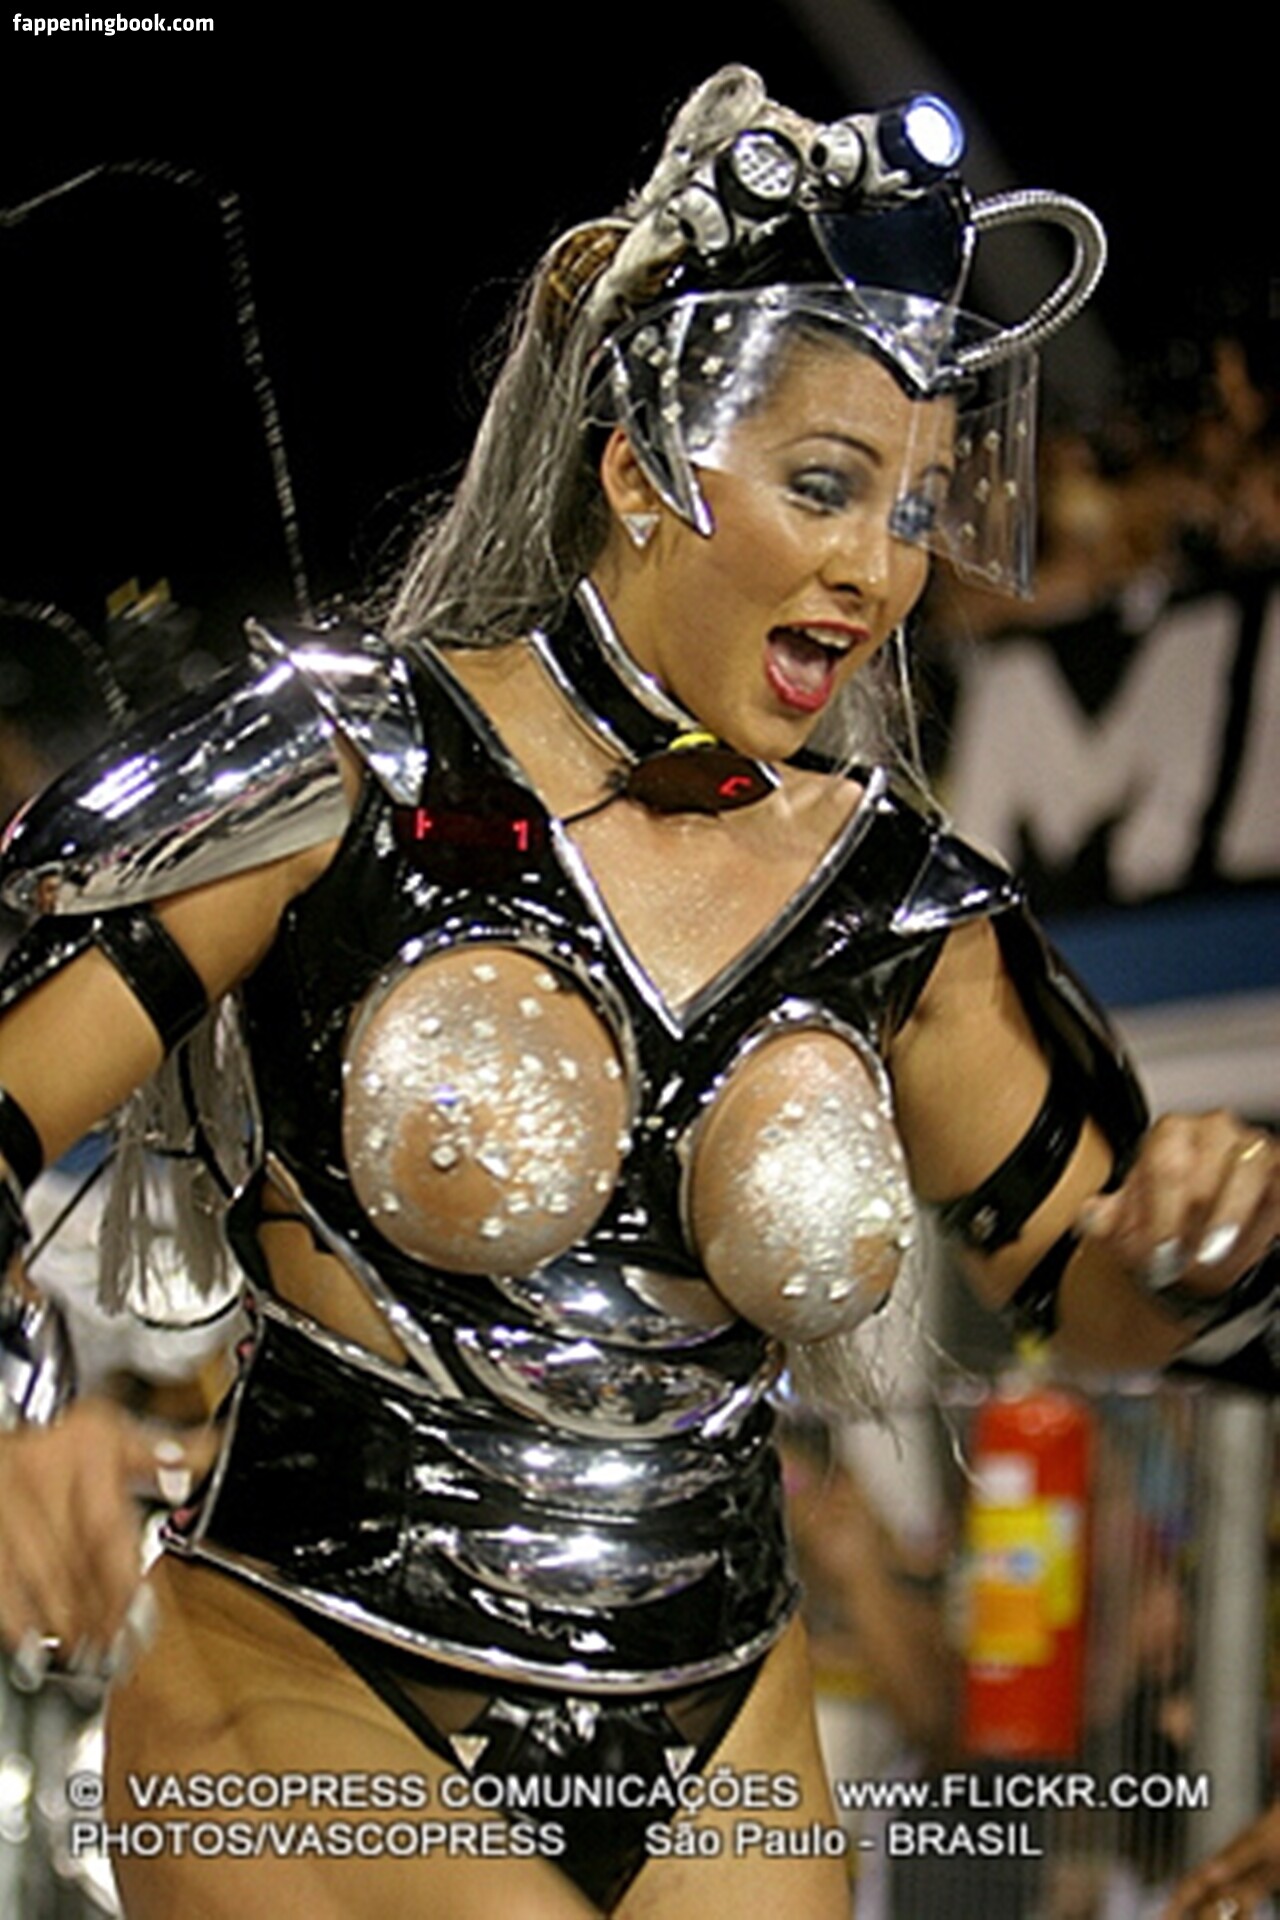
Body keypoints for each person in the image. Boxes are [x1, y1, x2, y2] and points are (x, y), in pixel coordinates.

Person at [0, 65, 1275, 1920]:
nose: (874, 570)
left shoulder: (903, 914)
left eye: (918, 508)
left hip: (726, 1724)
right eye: (824, 485)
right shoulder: (338, 776)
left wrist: (1192, 1246)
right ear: (635, 468)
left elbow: (1083, 1294)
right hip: (309, 1675)